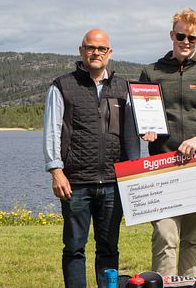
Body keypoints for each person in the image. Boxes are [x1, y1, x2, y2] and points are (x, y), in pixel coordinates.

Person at [42, 29, 140, 288]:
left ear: (110, 53)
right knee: (74, 247)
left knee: (109, 248)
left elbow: (131, 134)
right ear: (81, 51)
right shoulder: (63, 85)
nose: (95, 53)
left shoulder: (123, 88)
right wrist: (56, 170)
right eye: (90, 48)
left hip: (112, 182)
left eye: (101, 48)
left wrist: (133, 172)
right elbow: (52, 130)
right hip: (75, 182)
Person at [139, 8, 196, 277]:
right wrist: (144, 130)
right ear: (172, 35)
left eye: (192, 38)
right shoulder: (151, 72)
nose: (186, 42)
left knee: (193, 238)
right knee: (164, 235)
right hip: (162, 167)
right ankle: (165, 284)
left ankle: (190, 284)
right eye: (181, 36)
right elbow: (140, 115)